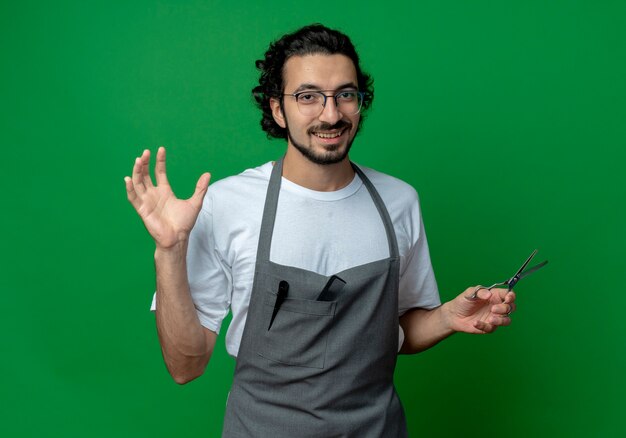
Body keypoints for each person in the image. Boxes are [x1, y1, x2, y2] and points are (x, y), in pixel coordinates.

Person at [124, 24, 516, 438]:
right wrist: (169, 250)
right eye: (308, 96)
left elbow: (398, 331)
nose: (331, 114)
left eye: (345, 95)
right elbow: (186, 366)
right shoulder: (227, 205)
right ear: (278, 109)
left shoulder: (399, 202)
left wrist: (446, 318)